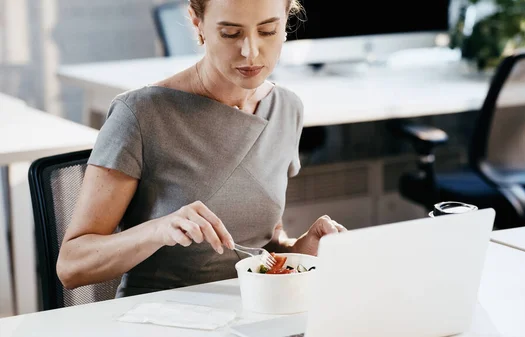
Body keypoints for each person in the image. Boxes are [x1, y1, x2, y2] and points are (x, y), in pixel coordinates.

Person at [56, 0, 346, 297]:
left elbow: (264, 244)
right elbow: (71, 266)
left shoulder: (286, 108)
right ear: (197, 23)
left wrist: (301, 249)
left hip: (251, 311)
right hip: (160, 316)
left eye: (268, 31)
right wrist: (157, 231)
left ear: (285, 22)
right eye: (231, 33)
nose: (250, 51)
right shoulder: (141, 114)